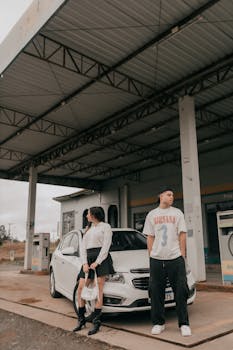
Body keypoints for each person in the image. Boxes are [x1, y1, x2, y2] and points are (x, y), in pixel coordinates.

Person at [143, 186, 191, 337]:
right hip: (157, 259)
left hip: (175, 258)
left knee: (181, 291)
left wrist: (182, 255)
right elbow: (150, 236)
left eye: (172, 195)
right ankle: (158, 323)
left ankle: (184, 324)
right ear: (160, 195)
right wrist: (151, 255)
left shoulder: (177, 213)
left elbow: (182, 234)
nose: (172, 197)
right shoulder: (152, 214)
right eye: (169, 194)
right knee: (156, 292)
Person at [73, 206, 114, 335]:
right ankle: (81, 320)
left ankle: (96, 322)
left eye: (88, 214)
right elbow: (83, 248)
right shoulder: (88, 229)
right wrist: (85, 263)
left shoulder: (105, 227)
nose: (87, 216)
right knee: (80, 288)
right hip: (88, 259)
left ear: (94, 215)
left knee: (98, 289)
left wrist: (98, 262)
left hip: (101, 259)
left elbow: (106, 246)